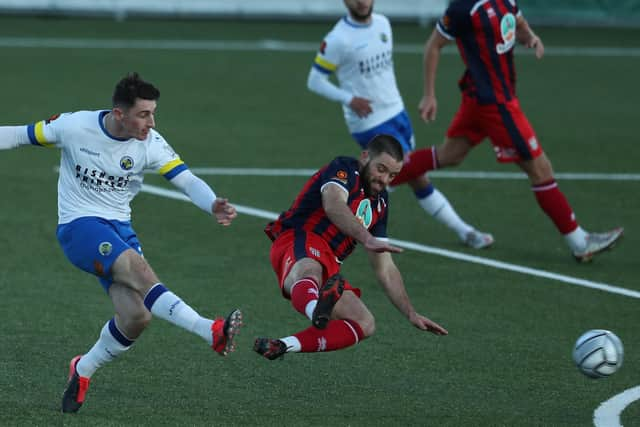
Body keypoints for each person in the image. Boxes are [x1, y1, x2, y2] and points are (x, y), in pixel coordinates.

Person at [0, 72, 243, 413]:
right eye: (144, 114)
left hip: (119, 230)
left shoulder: (151, 143)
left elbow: (187, 180)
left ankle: (82, 369)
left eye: (153, 113)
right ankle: (210, 330)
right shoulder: (74, 126)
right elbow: (16, 135)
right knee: (138, 269)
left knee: (137, 316)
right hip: (79, 227)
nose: (151, 121)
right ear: (119, 114)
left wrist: (213, 202)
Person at [418, 0, 623, 262]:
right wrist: (429, 95)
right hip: (495, 105)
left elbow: (516, 18)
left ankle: (390, 171)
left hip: (485, 99)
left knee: (448, 155)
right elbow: (434, 45)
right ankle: (580, 242)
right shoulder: (463, 7)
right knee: (540, 169)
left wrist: (530, 36)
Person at [306, 0, 494, 250]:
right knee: (404, 172)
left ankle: (341, 219)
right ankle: (466, 231)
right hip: (369, 121)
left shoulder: (384, 23)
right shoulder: (338, 39)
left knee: (413, 177)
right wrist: (349, 99)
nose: (362, 1)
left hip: (397, 113)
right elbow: (315, 80)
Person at [253, 134, 448, 361]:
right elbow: (333, 203)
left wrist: (410, 312)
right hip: (300, 239)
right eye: (381, 169)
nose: (385, 179)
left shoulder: (381, 203)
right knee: (310, 271)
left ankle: (283, 346)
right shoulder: (344, 169)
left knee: (364, 322)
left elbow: (385, 269)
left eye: (393, 175)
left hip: (331, 267)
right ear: (365, 157)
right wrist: (366, 238)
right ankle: (317, 310)